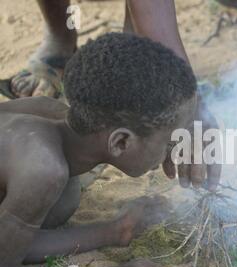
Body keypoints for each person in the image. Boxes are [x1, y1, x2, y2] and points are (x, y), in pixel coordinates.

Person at [0, 32, 197, 267]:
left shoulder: (47, 113)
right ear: (121, 142)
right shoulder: (43, 169)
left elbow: (14, 242)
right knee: (59, 196)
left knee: (61, 200)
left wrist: (115, 230)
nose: (173, 150)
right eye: (169, 140)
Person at [1, 0, 221, 191]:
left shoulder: (42, 113)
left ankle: (134, 38)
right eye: (165, 143)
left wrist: (189, 103)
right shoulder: (45, 172)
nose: (168, 148)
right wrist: (116, 231)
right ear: (120, 141)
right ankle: (61, 36)